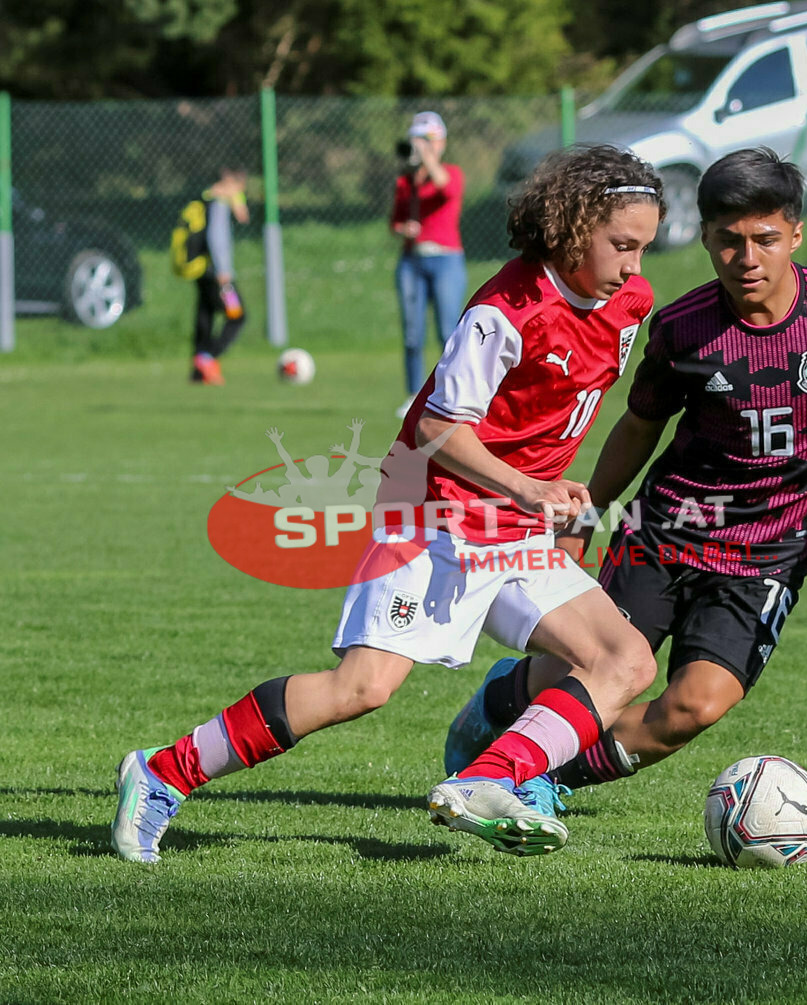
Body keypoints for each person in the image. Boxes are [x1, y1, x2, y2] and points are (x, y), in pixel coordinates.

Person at [111, 143, 667, 863]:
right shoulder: (507, 310)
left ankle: (487, 778)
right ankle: (161, 771)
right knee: (362, 687)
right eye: (622, 245)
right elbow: (437, 425)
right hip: (433, 512)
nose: (635, 266)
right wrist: (530, 487)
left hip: (514, 526)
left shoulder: (632, 302)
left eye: (646, 248)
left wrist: (550, 506)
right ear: (572, 226)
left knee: (624, 659)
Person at [444, 147, 807, 813]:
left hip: (768, 555)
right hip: (665, 533)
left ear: (795, 234)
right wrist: (586, 519)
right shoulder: (682, 328)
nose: (746, 258)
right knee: (580, 670)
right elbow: (638, 428)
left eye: (763, 239)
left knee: (693, 705)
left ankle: (548, 775)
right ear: (704, 238)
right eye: (727, 241)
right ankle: (503, 702)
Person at [391, 111, 467, 418]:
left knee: (448, 331)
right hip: (412, 260)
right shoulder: (405, 182)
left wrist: (427, 156)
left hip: (446, 260)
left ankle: (451, 393)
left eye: (428, 140)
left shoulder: (451, 172)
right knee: (412, 332)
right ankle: (413, 395)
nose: (421, 146)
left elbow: (446, 188)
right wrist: (403, 229)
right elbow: (394, 220)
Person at [190, 168, 250, 385]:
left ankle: (197, 372)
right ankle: (207, 360)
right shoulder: (219, 205)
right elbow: (216, 237)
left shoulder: (205, 199)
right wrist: (223, 271)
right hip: (220, 276)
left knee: (204, 318)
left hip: (202, 271)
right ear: (230, 181)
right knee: (237, 316)